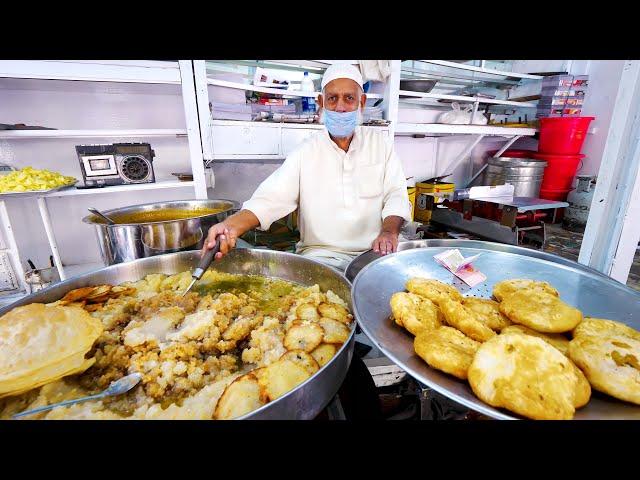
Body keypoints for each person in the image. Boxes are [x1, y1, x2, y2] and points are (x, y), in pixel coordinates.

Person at [202, 63, 412, 272]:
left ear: (362, 102)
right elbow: (270, 200)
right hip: (322, 256)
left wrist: (389, 232)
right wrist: (230, 226)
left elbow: (396, 195)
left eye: (349, 98)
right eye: (332, 98)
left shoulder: (381, 146)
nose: (340, 107)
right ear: (321, 102)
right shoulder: (305, 152)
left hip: (376, 252)